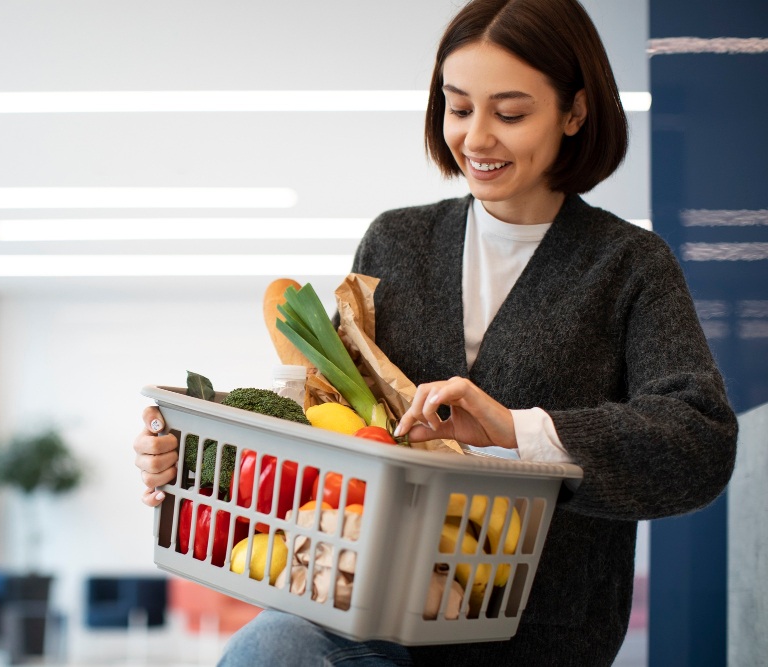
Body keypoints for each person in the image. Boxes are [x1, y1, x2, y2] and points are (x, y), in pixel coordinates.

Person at [133, 0, 738, 664]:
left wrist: (515, 429)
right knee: (272, 645)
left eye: (510, 113)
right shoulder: (396, 244)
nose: (477, 138)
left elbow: (699, 441)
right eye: (458, 108)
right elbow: (327, 421)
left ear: (575, 111)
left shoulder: (628, 266)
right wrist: (201, 462)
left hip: (540, 636)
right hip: (372, 618)